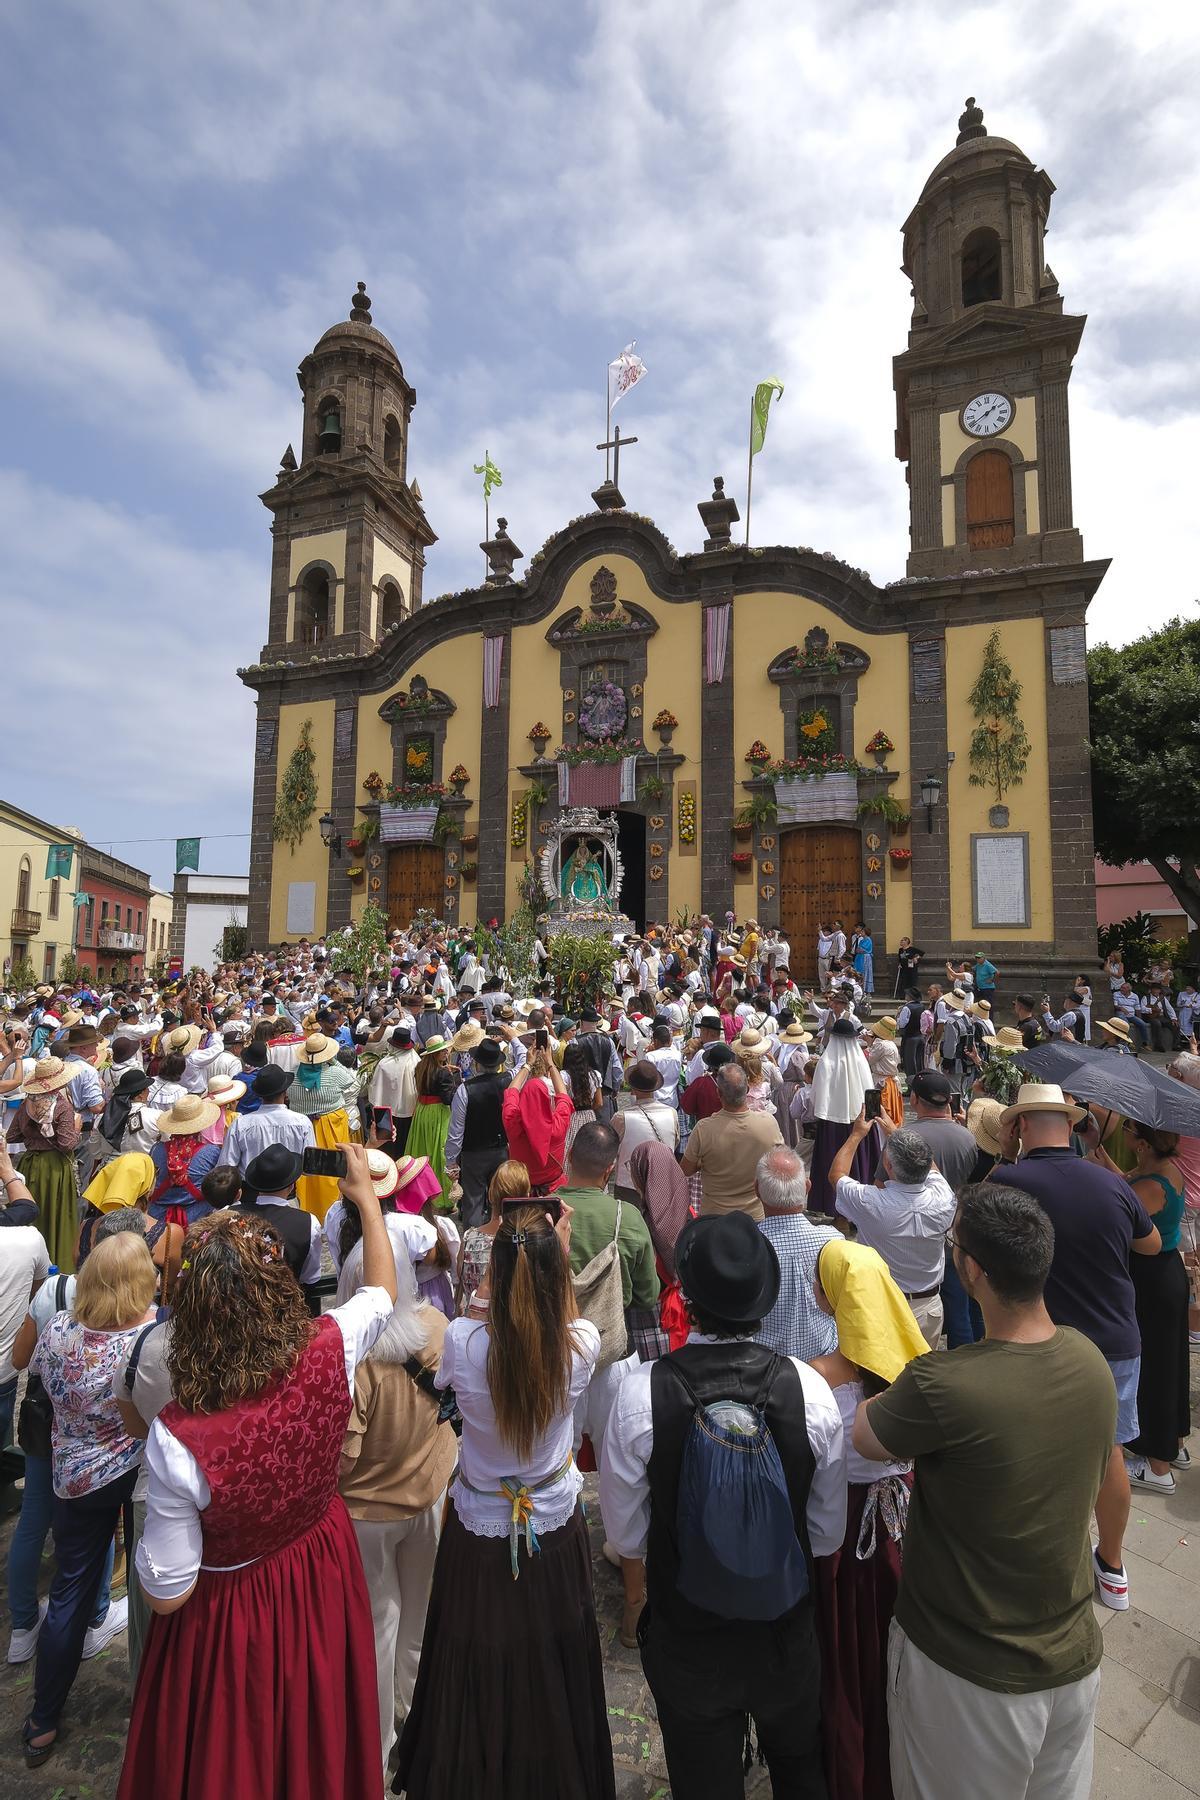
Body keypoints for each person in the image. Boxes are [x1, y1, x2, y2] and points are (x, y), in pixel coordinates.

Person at [117, 1144, 398, 1800]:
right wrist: (365, 1200)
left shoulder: (179, 1437)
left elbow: (168, 1590)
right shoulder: (329, 1346)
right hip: (320, 1561)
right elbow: (382, 1292)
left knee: (236, 1753)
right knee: (317, 1725)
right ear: (279, 1291)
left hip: (233, 1613)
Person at [853, 1184, 1118, 1800]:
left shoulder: (946, 1383)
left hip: (967, 1670)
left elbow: (866, 1435)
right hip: (1071, 1656)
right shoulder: (1090, 1360)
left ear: (971, 1268)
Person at [600, 1211, 847, 1800]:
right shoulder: (810, 1391)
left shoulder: (641, 1395)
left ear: (686, 1295)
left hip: (688, 1634)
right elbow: (827, 1533)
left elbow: (628, 1538)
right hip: (783, 1631)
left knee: (700, 1777)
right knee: (800, 1769)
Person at [394, 1201, 614, 1800]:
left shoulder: (465, 1342)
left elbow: (475, 1329)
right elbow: (561, 1320)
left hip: (480, 1520)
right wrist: (552, 1259)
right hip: (552, 1521)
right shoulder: (581, 1345)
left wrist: (508, 1266)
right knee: (553, 1652)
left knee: (475, 1651)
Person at [989, 1082, 1161, 1611]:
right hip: (1113, 1335)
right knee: (1108, 1449)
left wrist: (1002, 1156)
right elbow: (1151, 1244)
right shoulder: (1111, 1185)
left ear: (1020, 1127)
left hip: (1042, 1338)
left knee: (1033, 1448)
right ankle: (1112, 1565)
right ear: (1069, 1124)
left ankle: (1041, 1556)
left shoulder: (1008, 1182)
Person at [20, 1232, 158, 1766]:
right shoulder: (147, 1336)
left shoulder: (57, 1328)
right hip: (135, 1472)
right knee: (148, 1583)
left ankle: (42, 1720)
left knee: (69, 1593)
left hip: (72, 1477)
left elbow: (34, 1373)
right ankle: (152, 1693)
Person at [811, 1237, 929, 1800]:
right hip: (904, 1528)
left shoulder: (817, 1378)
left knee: (850, 1656)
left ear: (835, 1297)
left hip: (845, 1532)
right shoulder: (917, 1367)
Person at [339, 1237, 459, 1775]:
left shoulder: (354, 1361)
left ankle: (381, 1733)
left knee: (377, 1624)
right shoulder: (436, 1326)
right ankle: (413, 1711)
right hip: (428, 1494)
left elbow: (342, 1457)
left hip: (367, 1514)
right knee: (420, 1611)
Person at [1095, 1122, 1190, 1492]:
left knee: (1154, 1367)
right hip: (1165, 1275)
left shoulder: (1151, 1184)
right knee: (1170, 1361)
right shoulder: (1162, 1172)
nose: (1126, 1135)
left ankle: (1157, 1465)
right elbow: (1129, 1189)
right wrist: (1104, 1162)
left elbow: (1122, 1208)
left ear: (1142, 1144)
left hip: (1151, 1280)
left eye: (1131, 1131)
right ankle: (1173, 1444)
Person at [831, 1115, 956, 1350]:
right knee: (918, 1375)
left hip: (884, 1302)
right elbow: (934, 1171)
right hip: (928, 1306)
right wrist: (896, 1133)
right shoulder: (944, 1199)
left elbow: (837, 1176)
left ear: (888, 1166)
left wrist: (857, 1134)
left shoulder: (872, 1203)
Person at [755, 1145, 841, 1361]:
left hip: (764, 1365)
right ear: (807, 1187)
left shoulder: (747, 1247)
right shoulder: (832, 1241)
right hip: (823, 1361)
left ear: (757, 1190)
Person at [680, 1061, 783, 1221]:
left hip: (714, 1216)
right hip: (754, 1216)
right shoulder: (768, 1123)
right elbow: (779, 1162)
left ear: (718, 1093)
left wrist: (703, 1162)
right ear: (747, 1090)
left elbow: (685, 1170)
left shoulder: (704, 1129)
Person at [5, 1056, 81, 1270]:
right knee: (57, 1217)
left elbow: (12, 1135)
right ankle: (55, 1264)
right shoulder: (62, 1107)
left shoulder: (27, 1103)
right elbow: (66, 1144)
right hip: (55, 1168)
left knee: (30, 1212)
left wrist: (34, 1136)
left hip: (30, 1165)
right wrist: (77, 1129)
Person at [287, 1033, 361, 1221]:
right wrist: (332, 1061)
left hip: (303, 1126)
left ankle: (309, 1209)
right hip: (331, 1125)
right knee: (333, 1169)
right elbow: (350, 1080)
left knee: (308, 1171)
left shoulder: (293, 1074)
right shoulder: (335, 1073)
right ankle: (332, 1210)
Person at [810, 1017, 875, 1214]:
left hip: (832, 1124)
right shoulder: (861, 1061)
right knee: (859, 1165)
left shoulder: (826, 1062)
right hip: (859, 1122)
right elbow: (870, 1091)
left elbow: (816, 1096)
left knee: (833, 1164)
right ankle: (860, 1209)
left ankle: (836, 1211)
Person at [456, 1158, 528, 1313]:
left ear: (490, 1195)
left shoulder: (469, 1239)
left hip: (473, 1326)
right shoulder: (528, 1241)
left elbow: (462, 1279)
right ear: (526, 1197)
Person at [217, 1063, 315, 1173]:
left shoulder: (240, 1125)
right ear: (285, 1092)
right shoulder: (302, 1123)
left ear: (259, 1095)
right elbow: (309, 1167)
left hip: (250, 1187)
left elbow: (226, 1167)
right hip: (288, 1186)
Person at [501, 1049, 574, 1192]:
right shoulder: (557, 1126)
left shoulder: (513, 1122)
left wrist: (528, 1065)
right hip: (554, 1191)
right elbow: (563, 1095)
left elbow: (512, 1091)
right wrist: (550, 1064)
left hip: (521, 1191)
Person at [611, 1059, 679, 1204]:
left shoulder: (621, 1118)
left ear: (633, 1089)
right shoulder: (672, 1114)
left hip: (629, 1185)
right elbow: (675, 1143)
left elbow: (612, 1150)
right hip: (662, 1182)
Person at [404, 1036, 459, 1209]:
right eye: (443, 1050)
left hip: (422, 1112)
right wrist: (455, 1081)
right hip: (438, 1115)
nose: (446, 1052)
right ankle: (444, 1197)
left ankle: (420, 1193)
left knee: (421, 1150)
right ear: (435, 1054)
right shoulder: (443, 1073)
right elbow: (448, 1099)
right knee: (441, 1152)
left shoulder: (420, 1067)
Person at [368, 1023, 420, 1154]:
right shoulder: (416, 1061)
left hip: (385, 1113)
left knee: (386, 1146)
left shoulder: (384, 1064)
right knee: (405, 1145)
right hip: (411, 1111)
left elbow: (376, 1091)